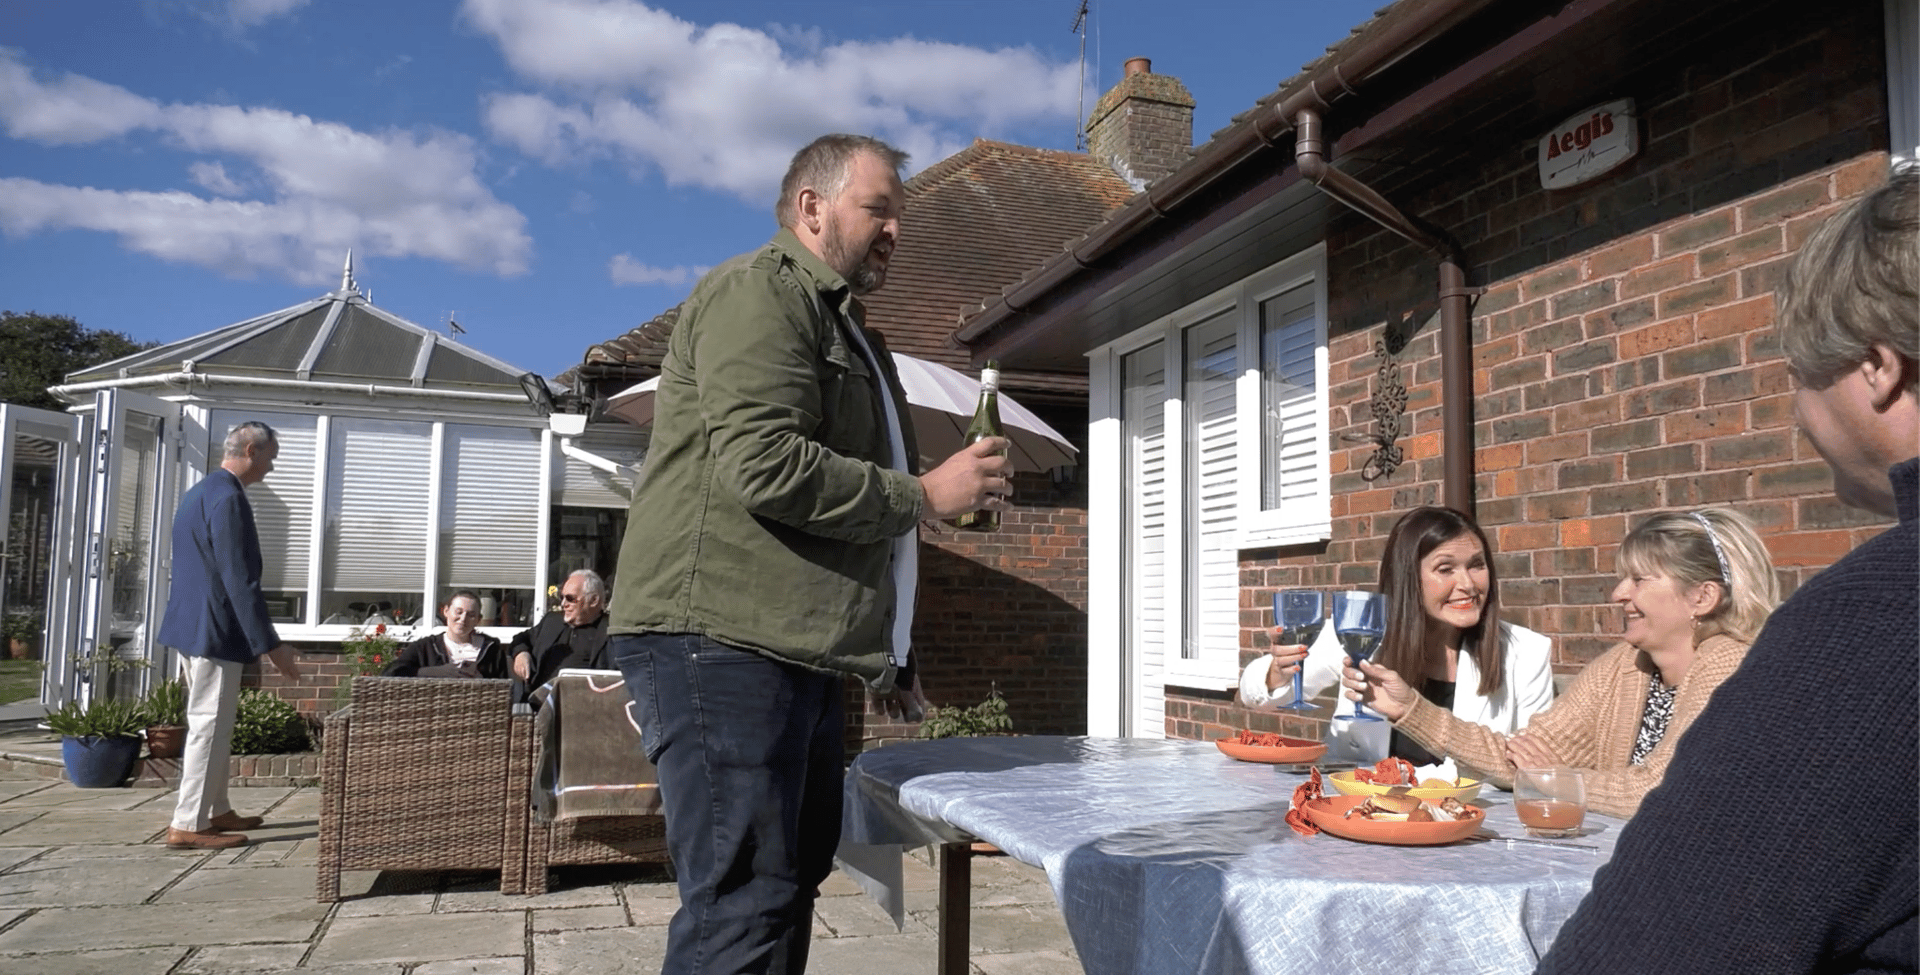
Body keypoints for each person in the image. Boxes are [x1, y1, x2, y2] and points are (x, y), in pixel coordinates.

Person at [605, 133, 1012, 975]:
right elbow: (767, 465)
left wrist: (896, 658)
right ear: (812, 206)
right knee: (743, 899)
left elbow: (865, 505)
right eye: (881, 208)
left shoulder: (853, 331)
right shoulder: (760, 294)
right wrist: (927, 496)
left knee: (785, 884)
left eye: (901, 213)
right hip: (716, 639)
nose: (898, 228)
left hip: (794, 649)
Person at [1537, 172, 1918, 972]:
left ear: (1879, 368)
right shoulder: (1620, 669)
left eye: (1797, 374)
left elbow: (1645, 952)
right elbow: (1531, 753)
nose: (1792, 411)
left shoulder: (1865, 629)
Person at [1346, 507, 1777, 817]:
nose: (1618, 594)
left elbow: (1662, 789)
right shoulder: (1625, 666)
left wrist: (1555, 779)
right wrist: (1409, 710)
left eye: (1639, 579)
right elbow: (1517, 759)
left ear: (1702, 597)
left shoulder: (1729, 666)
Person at [1242, 506, 1556, 768]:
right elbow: (1253, 695)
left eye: (1476, 565)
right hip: (1361, 814)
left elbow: (1534, 770)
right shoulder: (1361, 632)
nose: (1468, 584)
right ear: (1408, 579)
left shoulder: (1526, 654)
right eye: (1445, 569)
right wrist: (1276, 673)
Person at [154, 421, 303, 850]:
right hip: (214, 630)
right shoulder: (228, 499)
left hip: (192, 626)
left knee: (215, 724)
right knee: (208, 725)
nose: (271, 468)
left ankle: (215, 809)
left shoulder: (200, 492)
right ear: (252, 450)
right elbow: (239, 580)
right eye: (271, 457)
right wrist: (271, 646)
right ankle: (188, 824)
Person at [507, 569, 610, 692]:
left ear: (593, 601)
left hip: (586, 702)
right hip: (540, 702)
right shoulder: (552, 621)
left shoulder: (610, 631)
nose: (563, 604)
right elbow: (522, 638)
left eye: (570, 598)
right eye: (562, 597)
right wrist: (521, 653)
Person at [383, 590, 506, 678]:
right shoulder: (426, 647)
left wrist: (482, 678)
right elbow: (391, 672)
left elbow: (505, 687)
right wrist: (436, 672)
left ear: (478, 620)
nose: (463, 619)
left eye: (471, 615)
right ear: (446, 611)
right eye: (458, 612)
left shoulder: (491, 649)